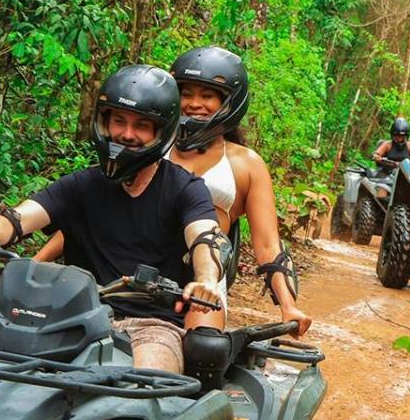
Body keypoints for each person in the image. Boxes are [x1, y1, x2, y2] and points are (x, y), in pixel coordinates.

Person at [0, 64, 228, 374]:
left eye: (141, 125)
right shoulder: (82, 185)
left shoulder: (185, 188)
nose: (126, 134)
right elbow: (17, 218)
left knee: (147, 388)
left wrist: (207, 281)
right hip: (71, 316)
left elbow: (206, 237)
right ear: (104, 123)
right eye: (118, 121)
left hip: (150, 327)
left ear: (161, 132)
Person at [37, 46, 312, 337]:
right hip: (127, 273)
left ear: (228, 102)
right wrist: (35, 266)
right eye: (186, 93)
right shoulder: (147, 147)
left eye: (207, 95)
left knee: (202, 349)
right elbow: (89, 215)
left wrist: (287, 305)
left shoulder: (246, 164)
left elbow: (268, 244)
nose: (194, 103)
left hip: (200, 284)